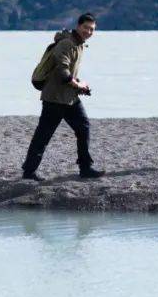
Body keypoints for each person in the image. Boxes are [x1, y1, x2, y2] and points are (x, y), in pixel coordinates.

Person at [22, 13, 105, 181]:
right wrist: (77, 84)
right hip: (54, 98)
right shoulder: (66, 43)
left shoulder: (79, 44)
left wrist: (79, 85)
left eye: (92, 29)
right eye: (86, 28)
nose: (88, 32)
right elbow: (62, 71)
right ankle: (29, 172)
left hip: (69, 98)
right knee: (43, 135)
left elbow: (69, 73)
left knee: (84, 128)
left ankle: (85, 168)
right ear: (78, 26)